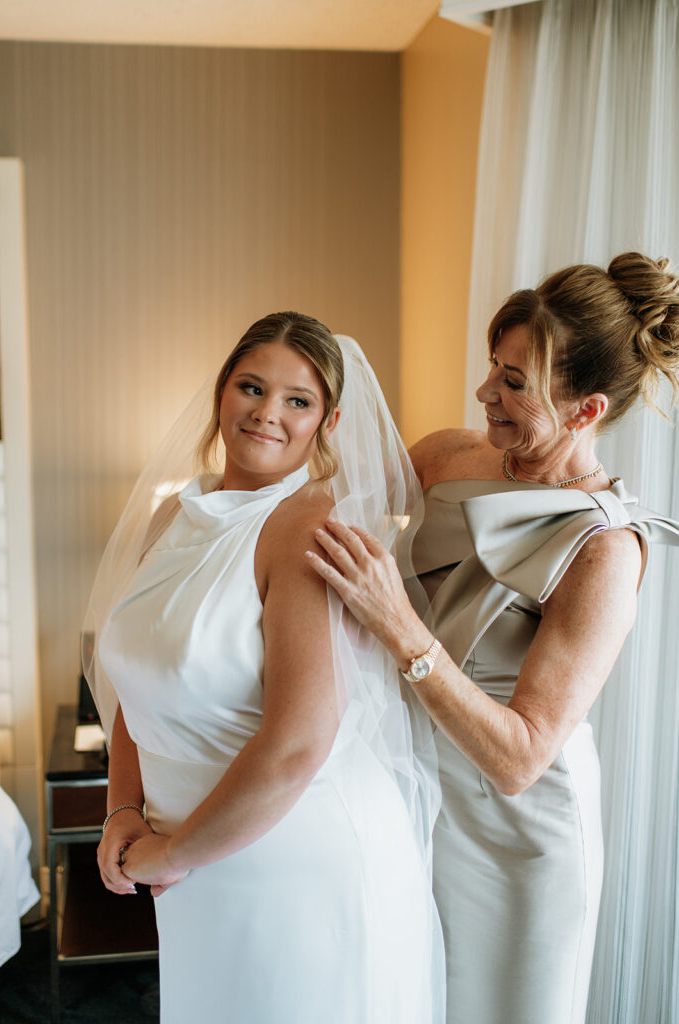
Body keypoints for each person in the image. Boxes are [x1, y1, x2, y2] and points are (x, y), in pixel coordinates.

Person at [307, 252, 679, 1024]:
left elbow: (520, 758)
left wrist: (397, 625)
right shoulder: (447, 457)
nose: (486, 392)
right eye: (493, 368)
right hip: (412, 790)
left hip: (519, 838)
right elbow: (313, 521)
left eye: (516, 383)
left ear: (587, 410)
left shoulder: (606, 551)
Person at [85, 313, 444, 1024]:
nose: (266, 414)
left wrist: (172, 853)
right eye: (251, 387)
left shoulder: (312, 527)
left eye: (297, 401)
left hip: (293, 860)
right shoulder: (172, 518)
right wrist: (122, 811)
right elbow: (140, 684)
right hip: (189, 858)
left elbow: (297, 744)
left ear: (329, 421)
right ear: (222, 391)